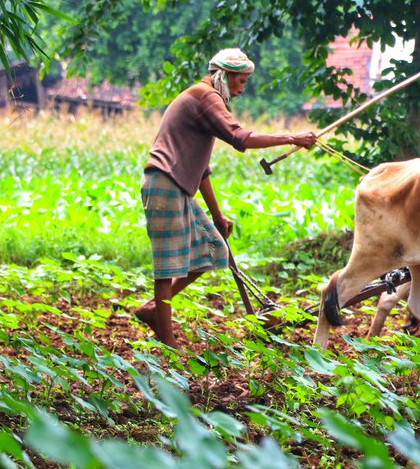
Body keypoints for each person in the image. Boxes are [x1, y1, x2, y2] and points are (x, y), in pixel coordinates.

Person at [134, 48, 317, 346]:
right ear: (224, 75)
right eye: (241, 81)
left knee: (214, 250)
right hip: (164, 184)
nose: (242, 89)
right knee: (166, 270)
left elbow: (202, 170)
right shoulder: (205, 96)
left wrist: (217, 216)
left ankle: (155, 310)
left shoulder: (205, 100)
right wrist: (291, 137)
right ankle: (168, 344)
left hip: (179, 186)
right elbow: (240, 138)